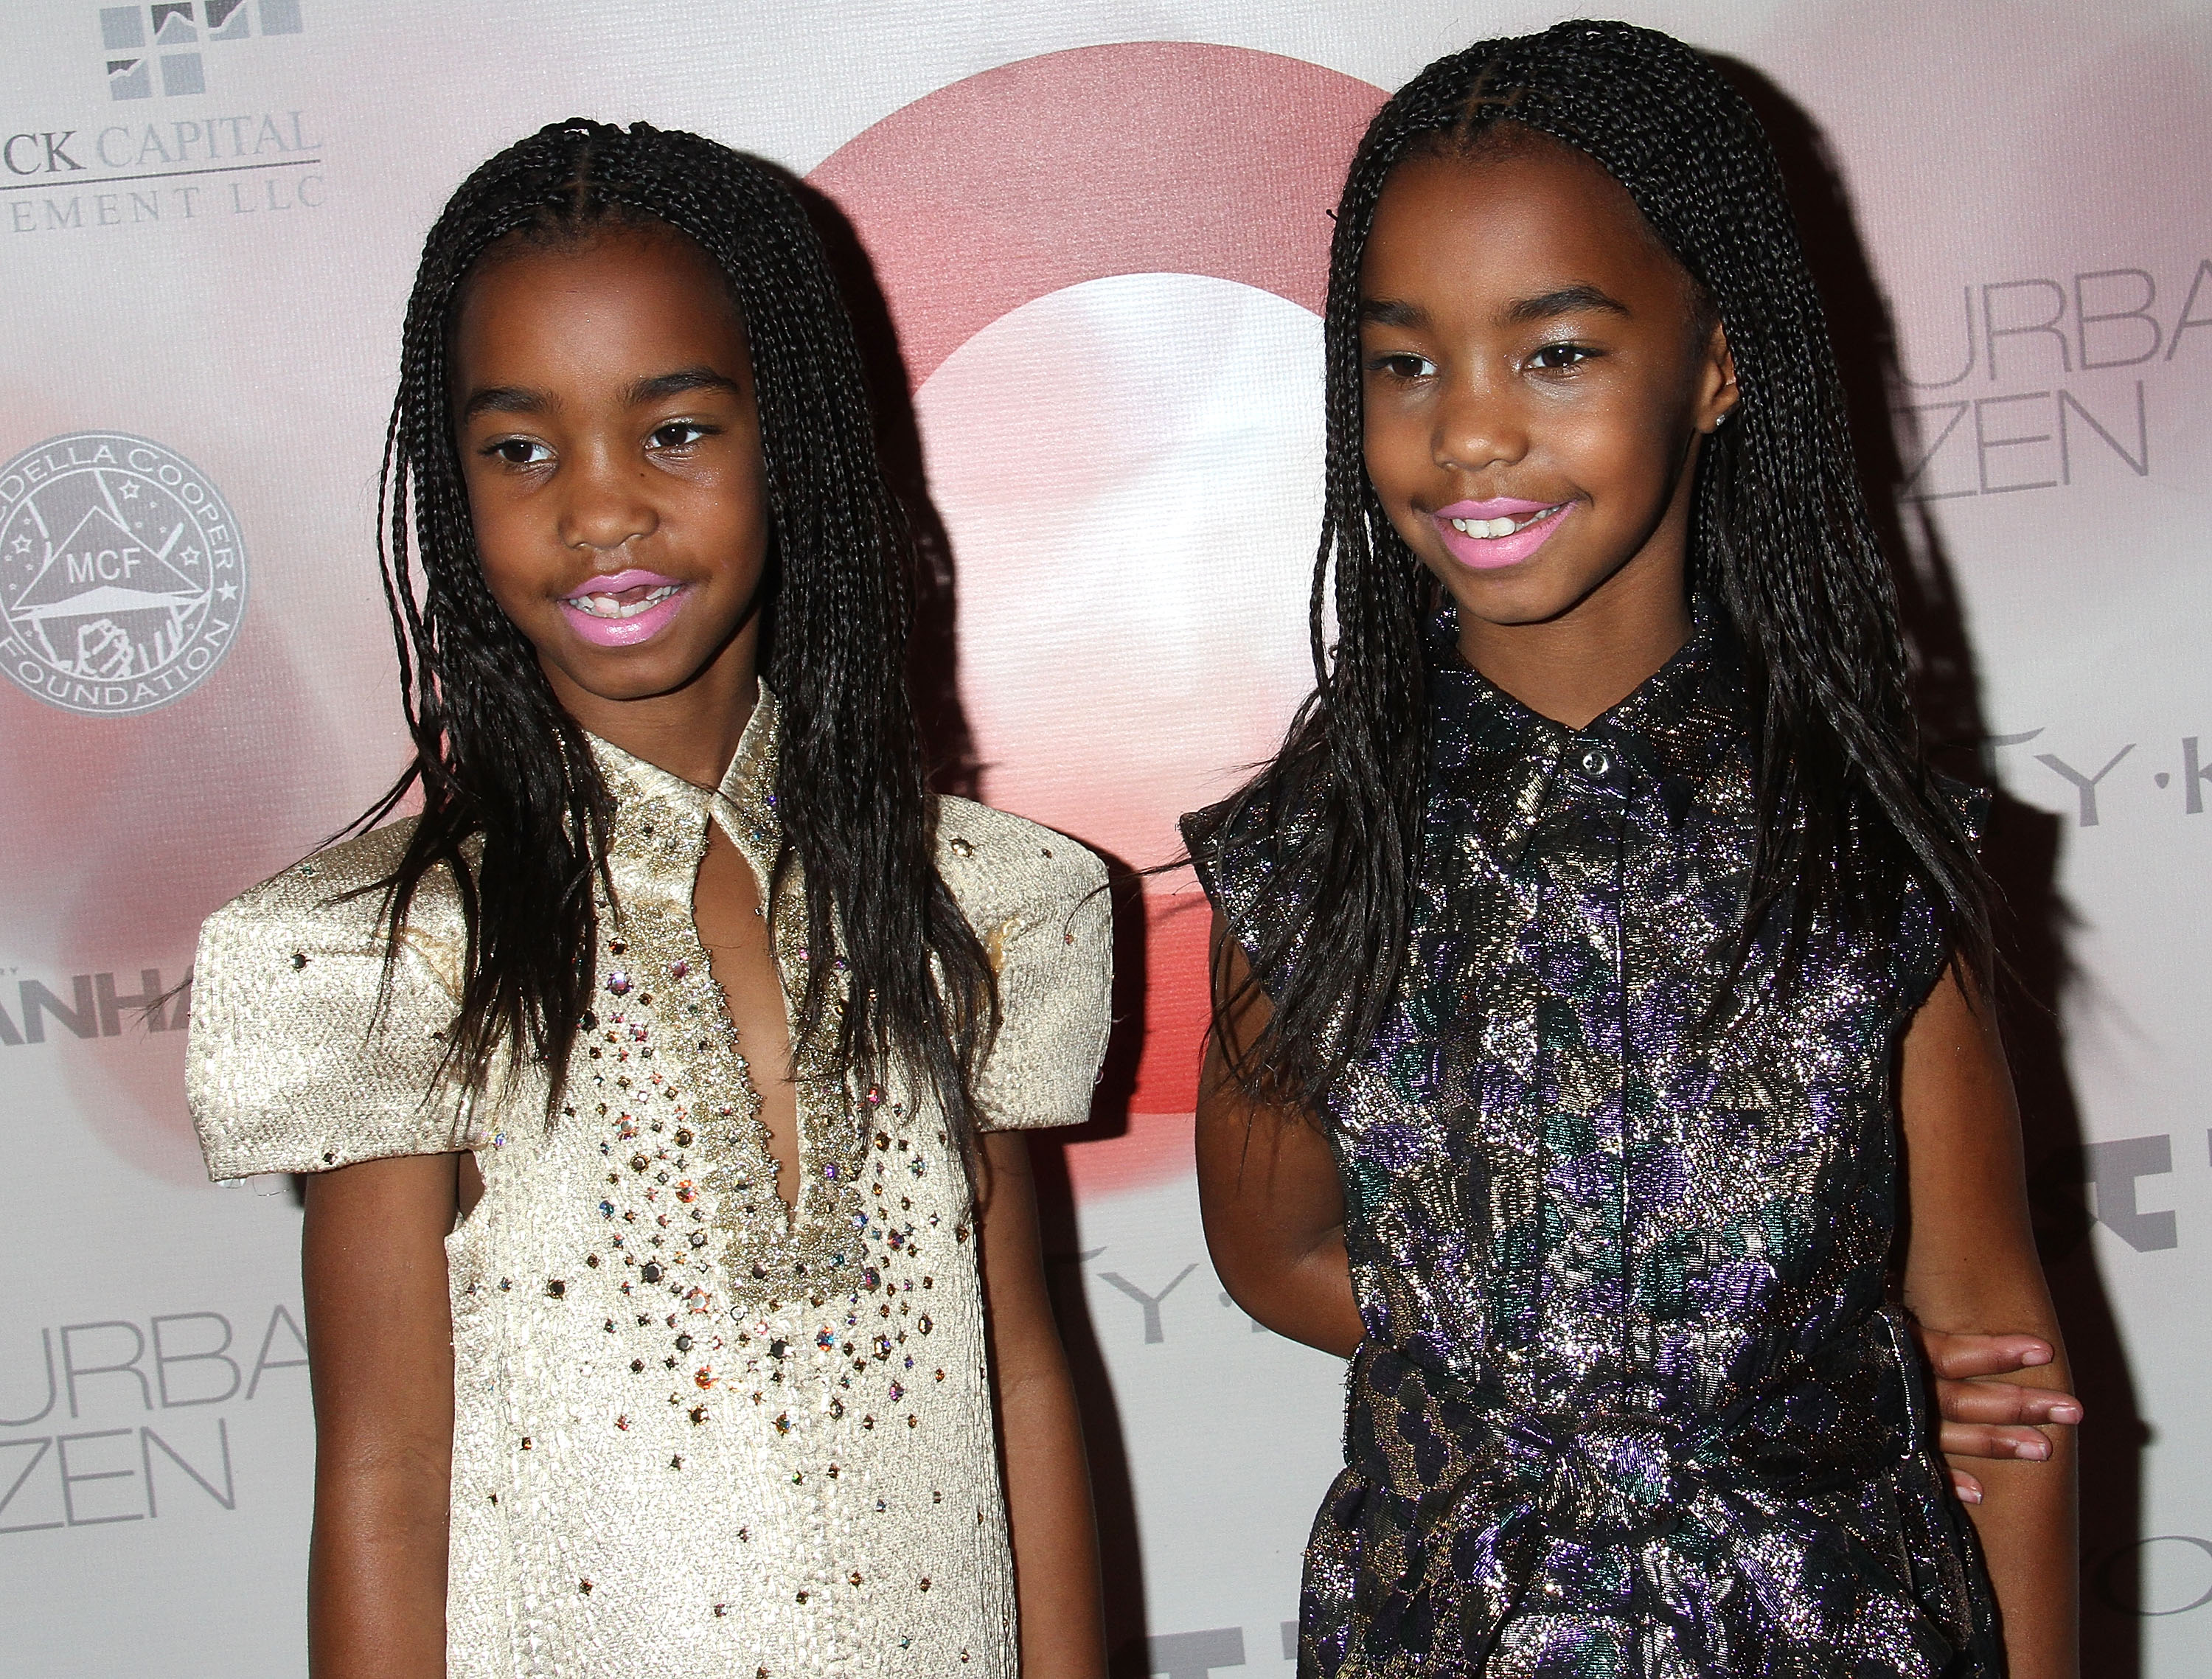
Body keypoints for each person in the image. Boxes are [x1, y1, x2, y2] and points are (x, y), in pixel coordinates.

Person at [1186, 22, 2076, 1678]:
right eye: (1405, 362)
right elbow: (1280, 1247)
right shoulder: (1309, 862)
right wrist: (1606, 1377)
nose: (1468, 434)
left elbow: (1997, 1366)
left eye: (1557, 352)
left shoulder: (1866, 855)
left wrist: (1836, 1366)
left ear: (1717, 366)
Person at [187, 119, 1110, 1679]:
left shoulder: (977, 899)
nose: (600, 510)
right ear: (450, 481)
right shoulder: (382, 952)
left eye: (672, 429)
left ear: (788, 440)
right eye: (521, 448)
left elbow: (1021, 1371)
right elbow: (382, 1476)